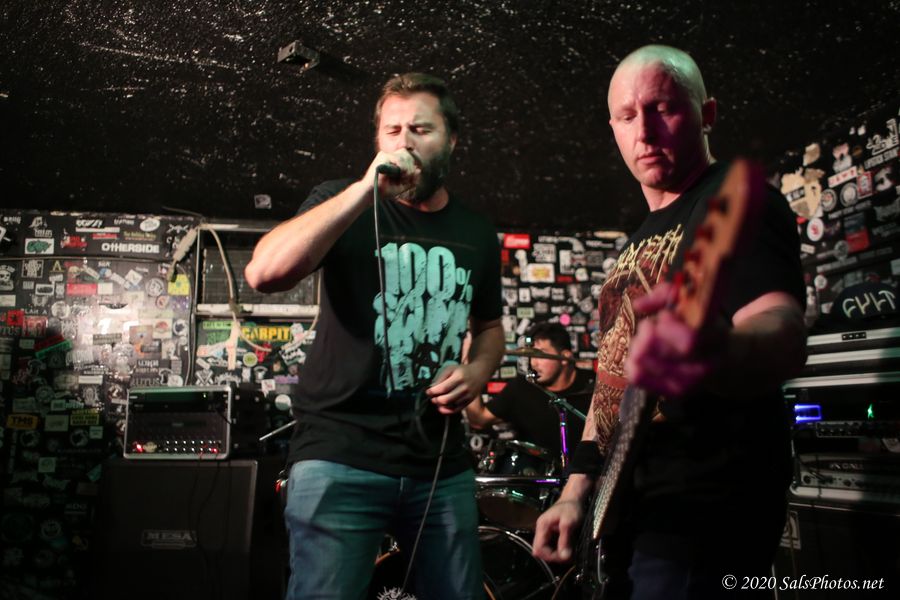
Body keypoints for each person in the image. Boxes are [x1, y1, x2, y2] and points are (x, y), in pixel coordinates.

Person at [532, 45, 807, 600]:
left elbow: (780, 324)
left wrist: (719, 350)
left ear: (707, 114)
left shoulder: (735, 201)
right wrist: (575, 491)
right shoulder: (635, 242)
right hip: (631, 509)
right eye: (627, 116)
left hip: (704, 511)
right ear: (613, 129)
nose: (645, 131)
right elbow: (610, 384)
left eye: (663, 108)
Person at [244, 72, 505, 600]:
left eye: (421, 129)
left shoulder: (477, 232)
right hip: (338, 454)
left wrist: (478, 370)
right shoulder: (339, 199)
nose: (404, 142)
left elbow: (490, 328)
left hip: (439, 463)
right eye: (392, 130)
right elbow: (264, 274)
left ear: (452, 139)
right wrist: (365, 192)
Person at [465, 321, 595, 457]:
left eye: (541, 355)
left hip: (586, 467)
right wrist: (469, 367)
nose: (534, 363)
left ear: (564, 357)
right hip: (534, 468)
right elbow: (478, 419)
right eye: (532, 355)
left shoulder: (594, 386)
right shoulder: (522, 387)